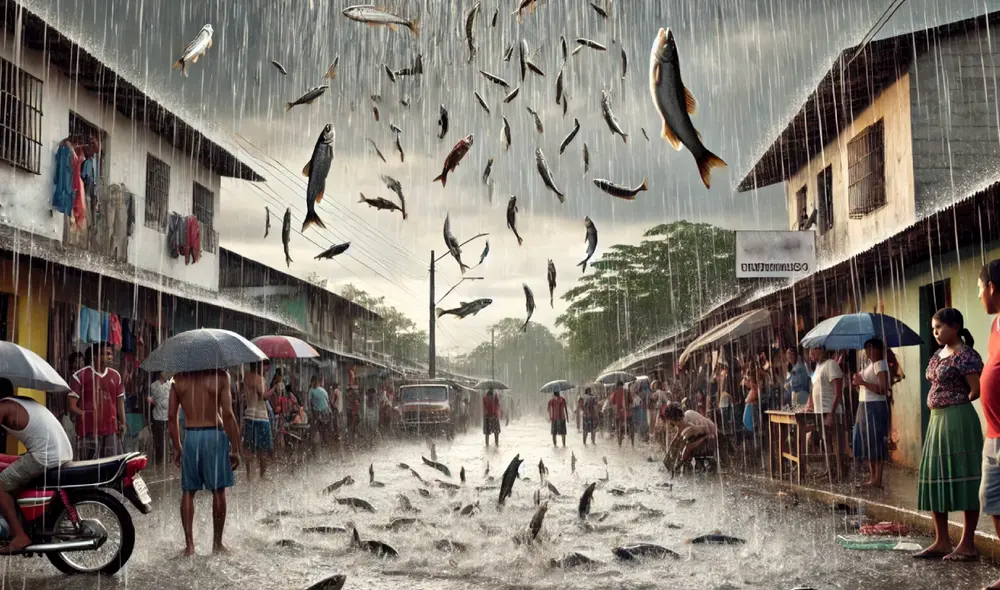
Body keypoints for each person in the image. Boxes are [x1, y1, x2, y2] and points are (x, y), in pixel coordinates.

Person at [914, 307, 983, 562]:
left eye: (939, 327)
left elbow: (976, 389)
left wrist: (954, 402)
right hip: (936, 421)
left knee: (964, 477)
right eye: (933, 329)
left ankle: (967, 544)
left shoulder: (965, 355)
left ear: (955, 327)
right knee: (936, 476)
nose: (935, 332)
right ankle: (941, 540)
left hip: (958, 419)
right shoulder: (937, 355)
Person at [168, 369, 241, 556]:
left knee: (188, 491)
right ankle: (217, 544)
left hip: (191, 437)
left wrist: (177, 446)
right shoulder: (221, 376)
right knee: (218, 490)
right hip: (214, 436)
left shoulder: (178, 379)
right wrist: (237, 448)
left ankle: (189, 546)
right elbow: (228, 415)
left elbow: (171, 417)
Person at [0, 378, 73, 553]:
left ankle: (19, 536)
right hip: (61, 452)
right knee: (9, 468)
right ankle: (17, 521)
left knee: (0, 485)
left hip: (45, 456)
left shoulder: (2, 407)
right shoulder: (22, 401)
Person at [979, 262, 1000, 590]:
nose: (980, 295)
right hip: (993, 433)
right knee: (991, 498)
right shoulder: (996, 325)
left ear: (993, 287)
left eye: (980, 288)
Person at [68, 343, 126, 460]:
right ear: (96, 356)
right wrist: (85, 415)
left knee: (111, 465)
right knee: (89, 467)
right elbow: (71, 405)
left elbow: (120, 403)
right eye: (106, 354)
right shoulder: (80, 375)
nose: (109, 357)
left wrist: (123, 423)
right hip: (88, 432)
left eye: (110, 354)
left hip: (111, 431)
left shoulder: (115, 376)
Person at [852, 338, 892, 488]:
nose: (867, 351)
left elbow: (883, 389)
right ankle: (872, 476)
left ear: (877, 349)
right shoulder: (869, 365)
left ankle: (877, 478)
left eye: (870, 348)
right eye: (866, 348)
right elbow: (863, 389)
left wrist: (863, 382)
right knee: (866, 441)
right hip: (864, 405)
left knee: (875, 440)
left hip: (875, 406)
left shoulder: (880, 364)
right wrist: (857, 383)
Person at [242, 362, 275, 480]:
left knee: (248, 447)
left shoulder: (246, 377)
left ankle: (248, 475)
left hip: (249, 415)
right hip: (261, 417)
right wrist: (274, 387)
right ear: (258, 365)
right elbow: (264, 396)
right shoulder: (259, 379)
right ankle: (263, 474)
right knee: (263, 448)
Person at [662, 402, 718, 470]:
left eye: (671, 421)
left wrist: (680, 462)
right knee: (684, 445)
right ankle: (690, 465)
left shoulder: (687, 423)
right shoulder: (684, 418)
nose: (671, 424)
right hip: (709, 435)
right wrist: (669, 454)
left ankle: (686, 466)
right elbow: (677, 438)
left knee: (687, 448)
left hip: (712, 436)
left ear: (674, 419)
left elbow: (705, 431)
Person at [147, 372, 173, 467]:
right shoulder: (153, 385)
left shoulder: (170, 385)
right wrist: (151, 400)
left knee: (168, 439)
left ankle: (167, 460)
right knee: (159, 440)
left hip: (167, 416)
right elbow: (152, 399)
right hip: (157, 417)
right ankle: (159, 460)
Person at [309, 375, 333, 445]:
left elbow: (309, 403)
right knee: (324, 431)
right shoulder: (323, 390)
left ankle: (317, 444)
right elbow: (328, 402)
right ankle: (325, 444)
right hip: (327, 413)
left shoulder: (311, 390)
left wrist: (312, 414)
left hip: (319, 413)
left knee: (317, 430)